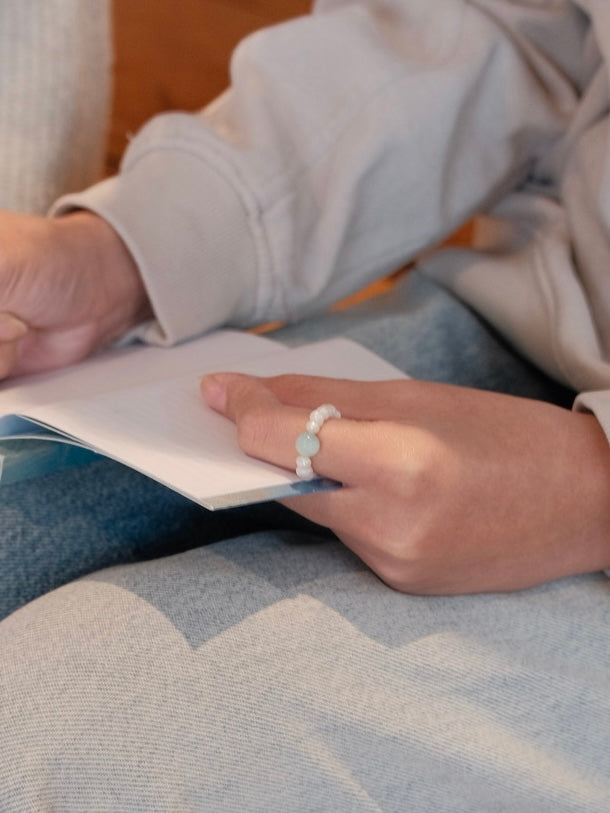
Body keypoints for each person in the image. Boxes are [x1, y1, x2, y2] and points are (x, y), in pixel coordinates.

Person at [0, 1, 609, 810]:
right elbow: (497, 30)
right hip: (539, 321)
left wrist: (587, 491)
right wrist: (129, 251)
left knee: (57, 734)